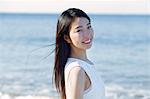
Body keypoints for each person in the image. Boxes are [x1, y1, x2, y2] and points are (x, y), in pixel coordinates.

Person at [53, 8, 105, 99]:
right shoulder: (77, 70)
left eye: (88, 27)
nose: (87, 34)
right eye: (79, 30)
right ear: (67, 38)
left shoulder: (86, 65)